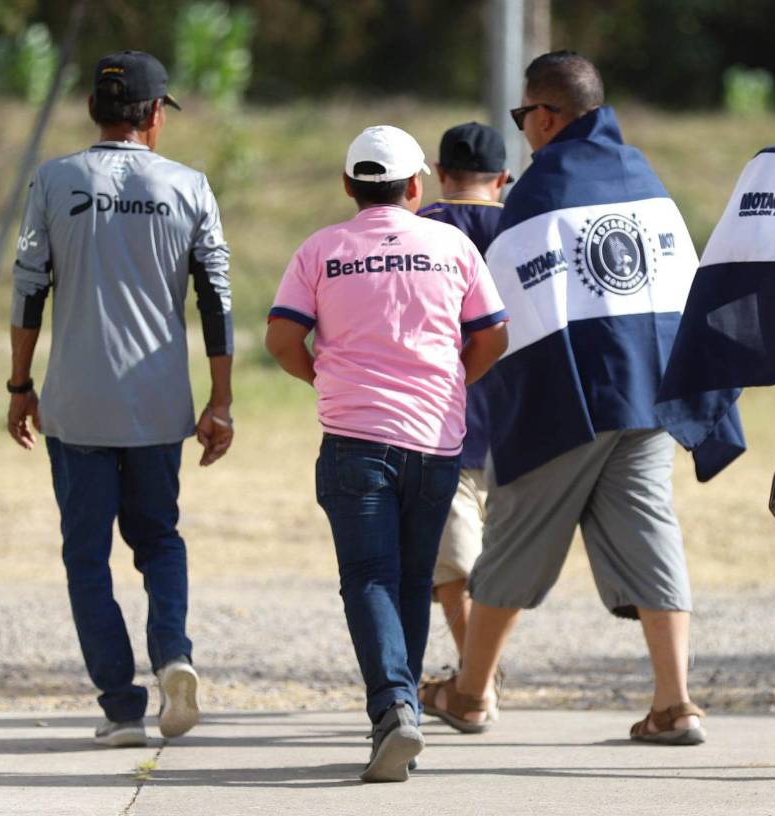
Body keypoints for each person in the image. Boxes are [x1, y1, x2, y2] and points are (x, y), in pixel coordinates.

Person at [420, 51, 744, 745]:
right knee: (653, 538)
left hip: (571, 399)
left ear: (544, 116)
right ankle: (676, 703)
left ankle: (470, 695)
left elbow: (506, 309)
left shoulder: (542, 191)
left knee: (514, 542)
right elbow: (685, 285)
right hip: (653, 396)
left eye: (523, 118)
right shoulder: (644, 177)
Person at [265, 125, 508, 783]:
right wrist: (451, 382)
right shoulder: (451, 246)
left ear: (348, 186)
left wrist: (324, 377)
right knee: (410, 580)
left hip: (354, 439)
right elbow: (492, 338)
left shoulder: (321, 250)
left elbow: (283, 337)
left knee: (368, 576)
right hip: (435, 443)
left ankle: (394, 708)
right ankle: (402, 716)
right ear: (414, 187)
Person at [6, 50, 233, 747]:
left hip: (76, 405)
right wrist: (220, 399)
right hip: (159, 404)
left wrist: (20, 386)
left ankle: (120, 707)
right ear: (156, 115)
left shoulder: (53, 179)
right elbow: (216, 298)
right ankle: (172, 654)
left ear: (91, 112)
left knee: (86, 556)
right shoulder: (189, 185)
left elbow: (28, 287)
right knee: (159, 541)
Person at [416, 122, 511, 663]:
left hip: (441, 424)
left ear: (439, 173)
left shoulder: (415, 229)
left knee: (453, 563)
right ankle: (480, 678)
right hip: (517, 425)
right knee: (502, 563)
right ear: (502, 178)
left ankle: (479, 680)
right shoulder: (526, 227)